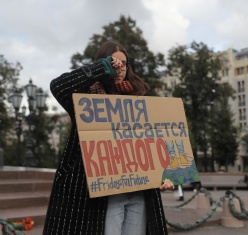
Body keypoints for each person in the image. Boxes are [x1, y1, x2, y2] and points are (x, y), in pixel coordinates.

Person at [43, 41, 174, 235]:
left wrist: (166, 175)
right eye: (114, 62)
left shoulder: (139, 100)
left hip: (139, 192)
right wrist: (101, 69)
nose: (120, 67)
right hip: (104, 195)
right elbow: (58, 85)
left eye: (124, 62)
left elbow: (155, 145)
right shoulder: (85, 98)